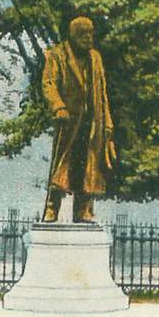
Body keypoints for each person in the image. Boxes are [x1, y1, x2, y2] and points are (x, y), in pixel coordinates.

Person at [41, 16, 117, 223]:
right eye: (84, 34)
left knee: (90, 166)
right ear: (73, 35)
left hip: (93, 121)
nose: (89, 37)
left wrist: (108, 122)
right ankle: (51, 208)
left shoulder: (95, 58)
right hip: (69, 120)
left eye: (91, 33)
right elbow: (48, 84)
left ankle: (84, 209)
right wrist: (58, 107)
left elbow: (103, 93)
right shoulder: (57, 55)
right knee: (62, 164)